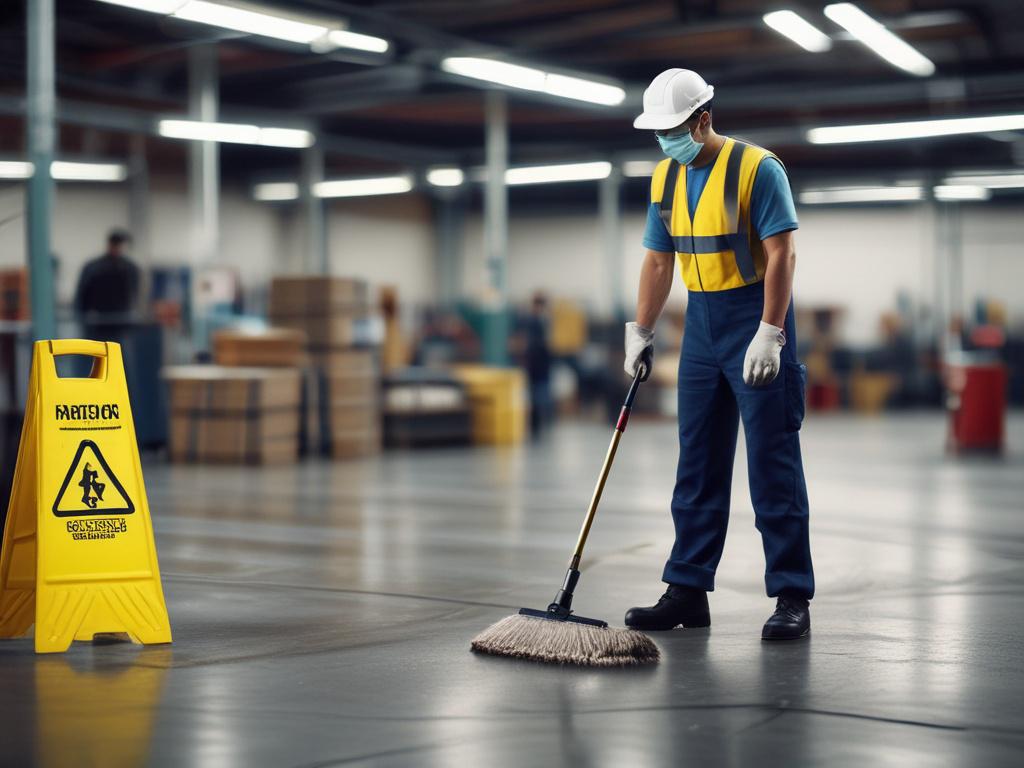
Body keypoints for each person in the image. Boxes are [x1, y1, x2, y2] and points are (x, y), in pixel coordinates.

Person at [623, 69, 814, 640]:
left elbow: (782, 254)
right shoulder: (664, 178)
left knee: (771, 464)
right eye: (657, 133)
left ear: (703, 119)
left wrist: (771, 332)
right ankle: (686, 589)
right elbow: (659, 261)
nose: (665, 142)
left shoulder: (759, 169)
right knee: (697, 460)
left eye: (673, 129)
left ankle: (791, 594)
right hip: (701, 325)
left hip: (754, 316)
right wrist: (641, 329)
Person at [74, 229, 141, 340]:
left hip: (121, 324)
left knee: (120, 354)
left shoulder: (130, 268)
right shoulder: (94, 267)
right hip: (97, 324)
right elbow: (82, 294)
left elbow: (135, 294)